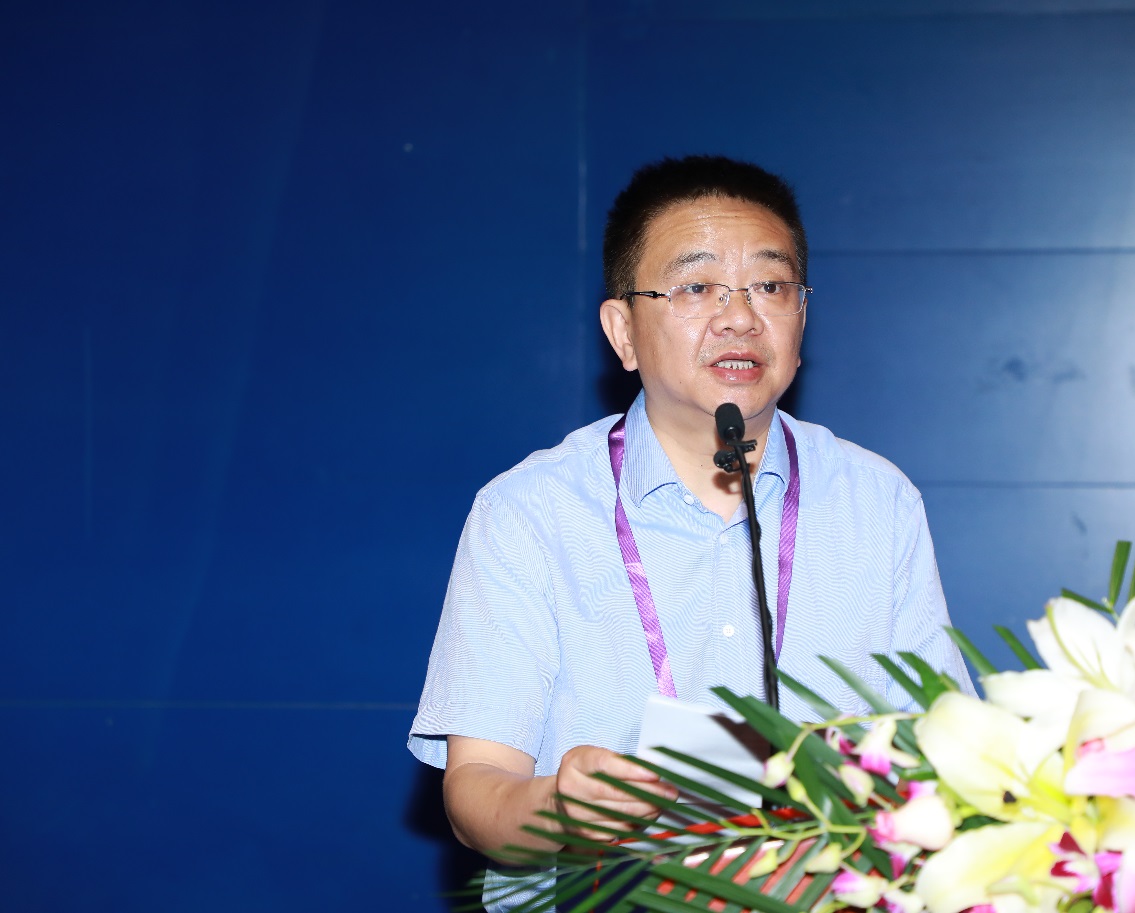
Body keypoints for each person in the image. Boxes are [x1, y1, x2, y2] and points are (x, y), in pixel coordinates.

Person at [409, 155, 972, 911]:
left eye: (770, 286)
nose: (740, 317)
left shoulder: (877, 501)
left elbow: (942, 753)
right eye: (697, 287)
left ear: (801, 317)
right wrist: (562, 808)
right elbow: (477, 792)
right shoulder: (529, 512)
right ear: (623, 331)